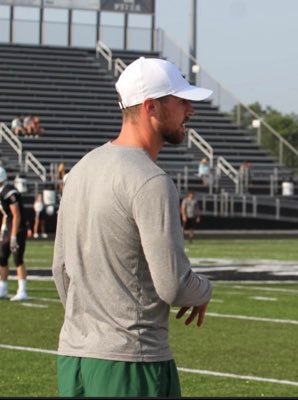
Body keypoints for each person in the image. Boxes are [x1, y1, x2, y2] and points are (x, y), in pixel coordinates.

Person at [52, 56, 213, 398]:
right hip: (132, 363)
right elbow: (174, 285)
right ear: (151, 106)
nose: (190, 111)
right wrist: (204, 290)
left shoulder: (80, 169)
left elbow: (60, 270)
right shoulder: (150, 180)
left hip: (75, 356)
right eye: (181, 101)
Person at [0, 166, 28, 301]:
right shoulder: (2, 191)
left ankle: (22, 290)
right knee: (2, 257)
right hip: (9, 228)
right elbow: (7, 214)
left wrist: (13, 236)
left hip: (18, 229)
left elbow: (16, 215)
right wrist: (4, 228)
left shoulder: (8, 192)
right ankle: (3, 287)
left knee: (17, 259)